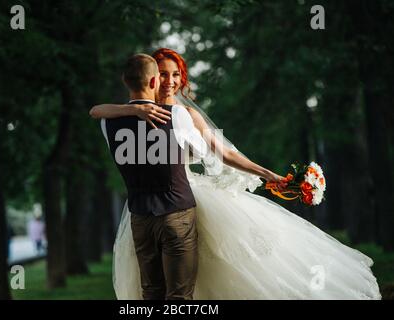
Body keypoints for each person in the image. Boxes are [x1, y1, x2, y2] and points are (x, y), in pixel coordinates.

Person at [90, 48, 381, 299]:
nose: (169, 81)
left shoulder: (173, 115)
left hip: (169, 203)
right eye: (163, 74)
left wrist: (268, 174)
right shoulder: (163, 117)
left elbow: (224, 154)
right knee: (171, 290)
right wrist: (137, 111)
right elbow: (101, 111)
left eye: (175, 75)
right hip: (171, 205)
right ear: (153, 78)